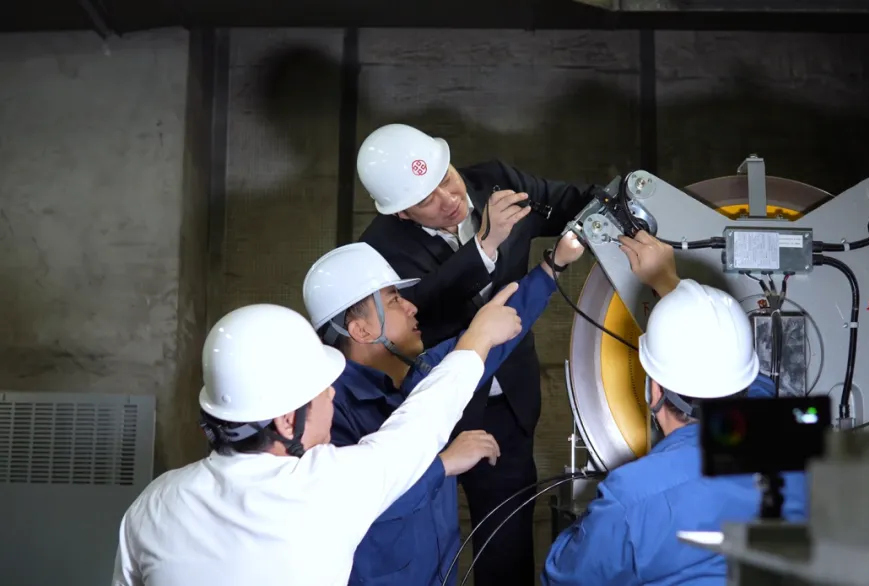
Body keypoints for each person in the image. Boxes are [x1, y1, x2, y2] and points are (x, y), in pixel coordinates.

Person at [111, 294, 523, 586]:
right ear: (287, 421)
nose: (331, 394)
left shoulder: (154, 503)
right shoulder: (324, 489)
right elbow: (422, 421)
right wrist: (479, 338)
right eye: (323, 389)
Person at [355, 122, 603, 584]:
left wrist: (617, 207)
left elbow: (570, 202)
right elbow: (422, 310)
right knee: (423, 542)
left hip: (504, 407)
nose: (450, 199)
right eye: (426, 200)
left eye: (446, 178)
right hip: (423, 416)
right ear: (401, 213)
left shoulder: (495, 181)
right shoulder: (377, 250)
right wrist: (484, 246)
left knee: (505, 543)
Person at [302, 233, 585, 586]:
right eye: (394, 301)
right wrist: (443, 465)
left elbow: (483, 345)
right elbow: (352, 504)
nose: (411, 307)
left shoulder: (413, 378)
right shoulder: (326, 413)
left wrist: (553, 265)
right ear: (361, 330)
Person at [542, 231, 809, 586]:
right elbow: (751, 383)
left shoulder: (630, 498)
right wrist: (669, 283)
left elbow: (561, 576)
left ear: (653, 390)